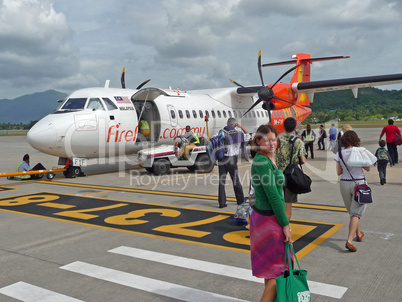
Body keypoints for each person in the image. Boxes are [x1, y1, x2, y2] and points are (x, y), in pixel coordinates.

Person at [249, 124, 292, 302]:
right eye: (266, 140)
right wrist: (285, 224)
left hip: (267, 217)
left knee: (271, 272)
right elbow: (274, 196)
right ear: (258, 141)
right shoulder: (261, 162)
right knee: (277, 271)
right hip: (269, 220)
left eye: (274, 139)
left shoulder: (267, 159)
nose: (272, 143)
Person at [334, 131, 370, 252]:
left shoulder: (339, 153)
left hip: (344, 183)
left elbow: (338, 172)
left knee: (352, 212)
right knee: (356, 213)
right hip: (359, 183)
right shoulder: (359, 151)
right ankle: (349, 240)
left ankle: (358, 234)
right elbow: (368, 168)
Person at [275, 117, 307, 220]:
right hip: (291, 176)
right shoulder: (298, 142)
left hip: (277, 174)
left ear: (283, 127)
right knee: (287, 204)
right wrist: (294, 161)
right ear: (294, 128)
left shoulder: (277, 140)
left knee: (277, 202)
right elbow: (303, 160)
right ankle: (285, 227)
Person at [216, 117, 250, 208]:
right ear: (235, 125)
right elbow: (248, 136)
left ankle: (222, 203)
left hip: (222, 159)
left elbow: (214, 140)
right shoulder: (238, 134)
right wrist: (241, 127)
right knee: (236, 180)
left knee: (221, 182)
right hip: (232, 159)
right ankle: (240, 200)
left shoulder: (221, 132)